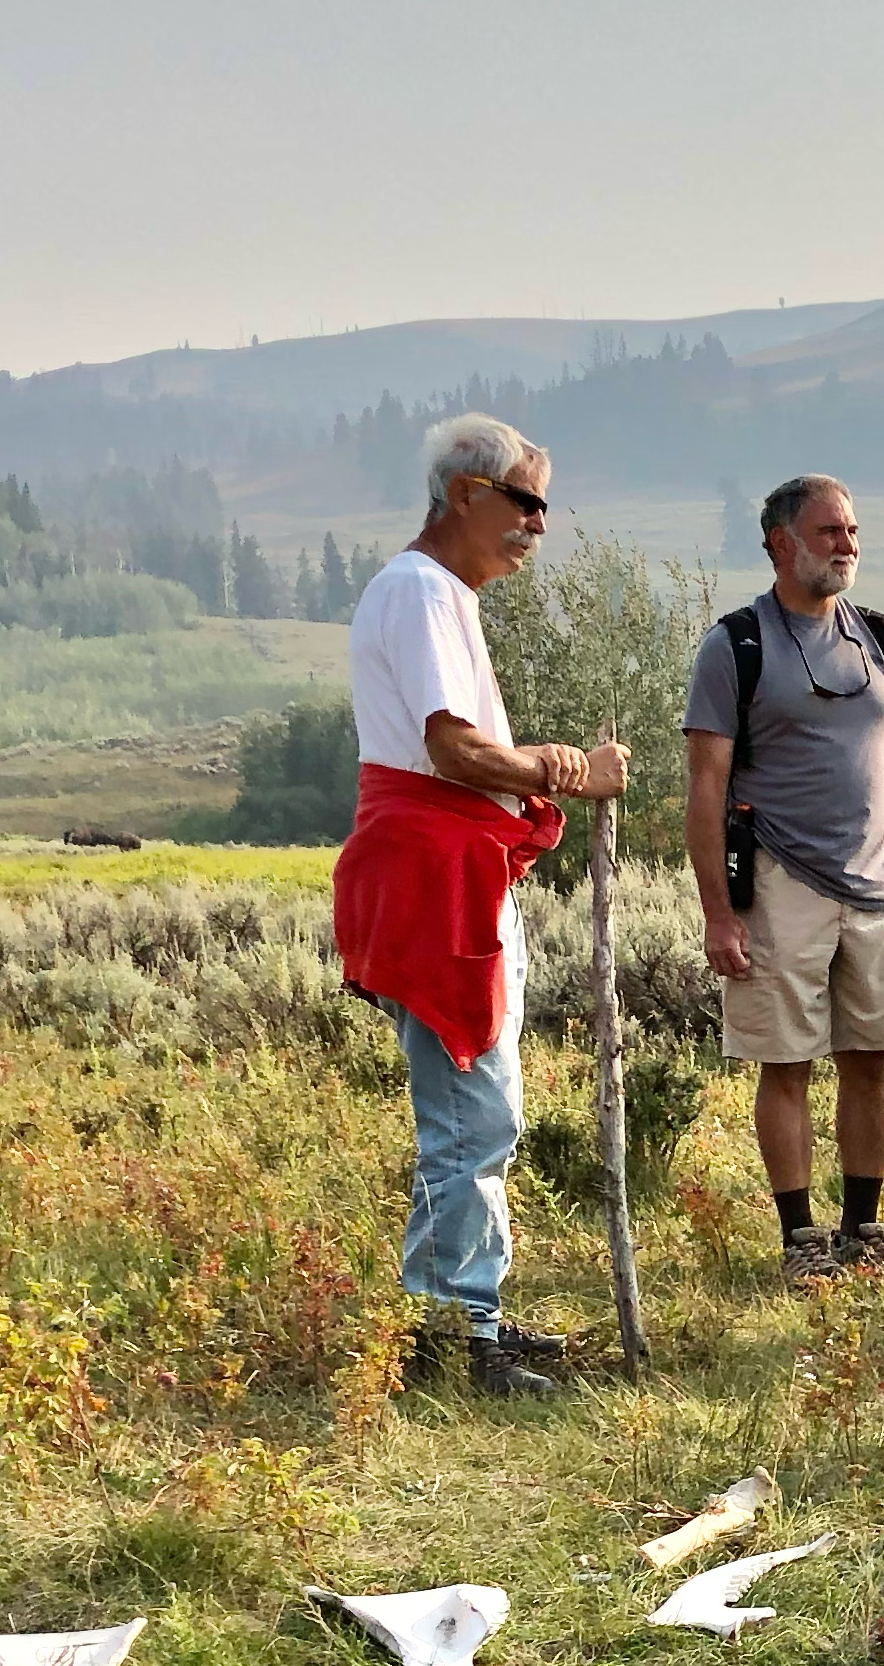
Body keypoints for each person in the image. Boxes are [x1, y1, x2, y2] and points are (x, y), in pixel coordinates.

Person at [331, 413, 630, 1398]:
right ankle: (457, 1336)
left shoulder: (436, 595)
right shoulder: (419, 591)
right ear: (465, 494)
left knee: (475, 1109)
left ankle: (464, 1311)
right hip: (432, 869)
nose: (538, 525)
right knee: (471, 1112)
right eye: (525, 502)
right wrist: (567, 771)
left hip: (444, 865)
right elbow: (454, 751)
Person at [681, 476, 884, 1283]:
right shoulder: (736, 644)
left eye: (853, 530)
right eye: (829, 530)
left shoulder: (880, 638)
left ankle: (863, 1230)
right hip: (778, 882)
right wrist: (717, 913)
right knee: (788, 1061)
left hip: (879, 890)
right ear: (780, 542)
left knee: (871, 1056)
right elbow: (705, 784)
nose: (847, 544)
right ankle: (801, 1239)